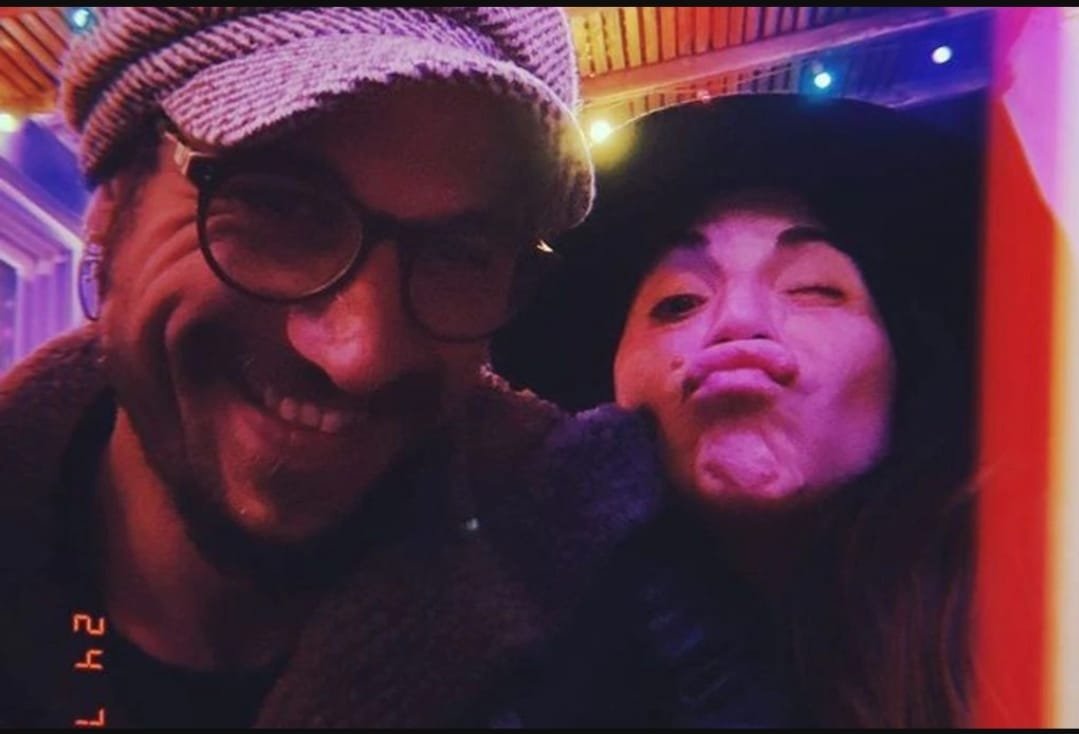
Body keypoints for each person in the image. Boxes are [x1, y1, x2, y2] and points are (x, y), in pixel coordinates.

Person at [0, 7, 713, 728]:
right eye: (282, 208)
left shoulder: (607, 622)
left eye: (459, 253)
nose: (360, 357)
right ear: (115, 200)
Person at [495, 93, 983, 727]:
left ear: (904, 368)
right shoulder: (510, 663)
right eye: (678, 303)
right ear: (610, 391)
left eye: (813, 289)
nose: (739, 320)